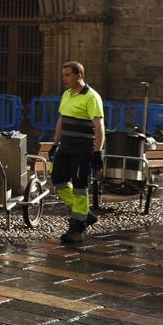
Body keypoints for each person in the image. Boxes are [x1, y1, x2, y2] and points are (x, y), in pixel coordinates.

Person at [50, 60, 105, 245]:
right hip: (66, 145)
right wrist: (55, 144)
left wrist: (98, 151)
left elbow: (99, 126)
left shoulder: (92, 97)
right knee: (57, 178)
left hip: (83, 147)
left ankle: (77, 228)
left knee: (80, 185)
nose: (64, 79)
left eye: (68, 75)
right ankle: (84, 213)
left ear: (79, 75)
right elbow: (61, 120)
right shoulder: (66, 94)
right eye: (63, 75)